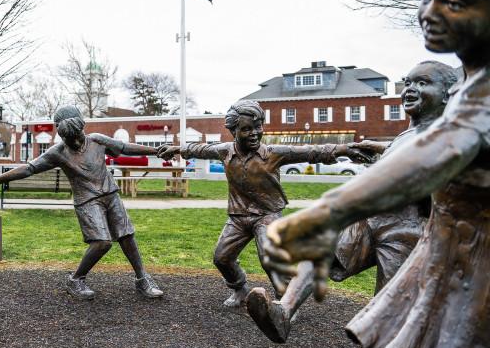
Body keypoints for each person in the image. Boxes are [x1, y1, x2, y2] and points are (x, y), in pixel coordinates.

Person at [263, 0, 490, 348]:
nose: (429, 14)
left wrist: (330, 208)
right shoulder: (466, 91)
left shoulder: (476, 104)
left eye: (453, 1)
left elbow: (441, 151)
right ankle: (285, 309)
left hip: (469, 281)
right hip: (446, 266)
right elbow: (410, 150)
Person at [246, 61, 459, 343]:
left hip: (408, 230)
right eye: (408, 82)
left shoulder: (450, 134)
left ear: (448, 94)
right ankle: (283, 311)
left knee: (393, 304)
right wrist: (382, 150)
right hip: (371, 217)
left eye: (423, 83)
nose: (410, 89)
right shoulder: (408, 133)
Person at [157, 100, 375, 308]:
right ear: (233, 132)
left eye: (258, 127)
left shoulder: (273, 153)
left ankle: (286, 301)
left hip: (267, 215)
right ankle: (239, 289)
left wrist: (346, 149)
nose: (254, 133)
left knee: (269, 258)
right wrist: (176, 149)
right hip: (239, 216)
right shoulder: (225, 151)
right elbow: (199, 149)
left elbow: (312, 151)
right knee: (222, 258)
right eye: (247, 129)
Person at [0, 105, 165, 300]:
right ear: (61, 134)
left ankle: (142, 278)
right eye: (69, 139)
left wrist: (157, 151)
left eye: (78, 136)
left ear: (82, 127)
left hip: (111, 195)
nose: (76, 142)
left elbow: (125, 148)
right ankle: (76, 279)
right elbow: (29, 169)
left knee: (127, 236)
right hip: (87, 201)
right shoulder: (57, 152)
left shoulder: (97, 140)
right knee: (102, 243)